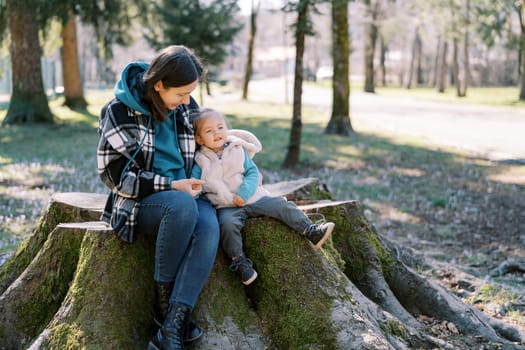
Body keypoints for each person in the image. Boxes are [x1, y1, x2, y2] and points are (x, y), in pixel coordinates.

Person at [97, 45, 219, 350]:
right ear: (159, 84)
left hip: (189, 193)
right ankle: (163, 306)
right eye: (181, 94)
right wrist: (171, 185)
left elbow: (205, 146)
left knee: (209, 226)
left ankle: (171, 326)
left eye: (191, 93)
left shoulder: (186, 108)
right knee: (181, 207)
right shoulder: (118, 111)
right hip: (142, 202)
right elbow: (116, 178)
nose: (188, 101)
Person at [190, 108, 335, 285]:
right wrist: (193, 195)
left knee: (281, 205)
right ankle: (240, 262)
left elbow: (252, 172)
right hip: (226, 205)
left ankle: (310, 230)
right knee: (227, 227)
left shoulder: (237, 149)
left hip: (253, 197)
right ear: (198, 139)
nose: (216, 133)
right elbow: (196, 184)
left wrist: (244, 192)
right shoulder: (200, 160)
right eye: (209, 131)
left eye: (220, 127)